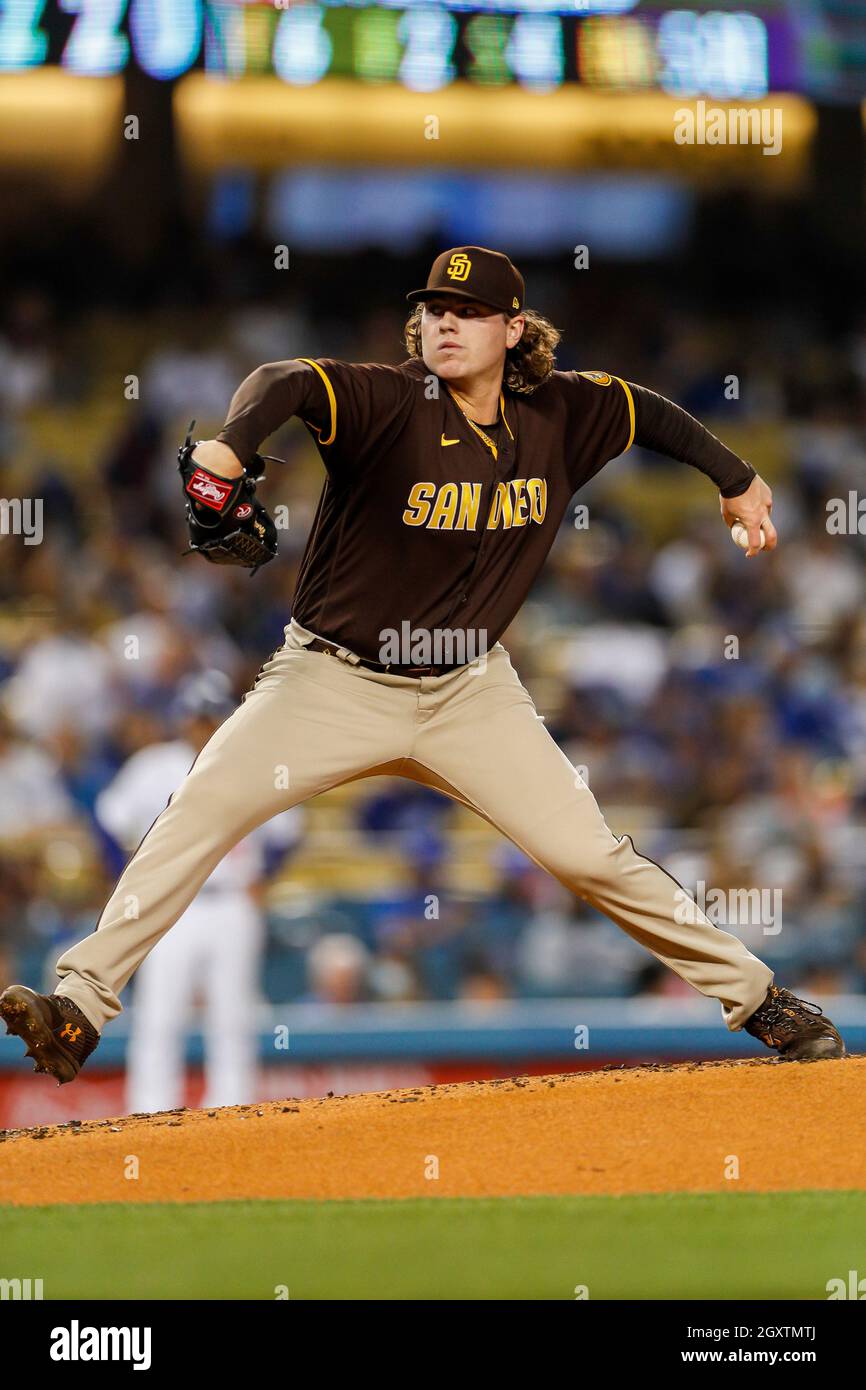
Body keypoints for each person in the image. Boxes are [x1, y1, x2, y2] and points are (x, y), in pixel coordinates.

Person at [0, 245, 845, 1083]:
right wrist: (232, 446)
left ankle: (761, 1002)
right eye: (436, 308)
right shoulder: (388, 401)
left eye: (470, 312)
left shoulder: (565, 413)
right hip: (330, 681)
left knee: (591, 857)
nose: (447, 321)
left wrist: (734, 477)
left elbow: (650, 413)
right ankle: (80, 1006)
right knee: (199, 814)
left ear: (515, 329)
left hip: (469, 691)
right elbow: (284, 380)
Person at [92, 671, 301, 1111]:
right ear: (182, 719)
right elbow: (108, 819)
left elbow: (288, 832)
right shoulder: (155, 765)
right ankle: (148, 1109)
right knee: (160, 1013)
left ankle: (232, 1106)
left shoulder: (251, 762)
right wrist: (125, 874)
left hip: (231, 902)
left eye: (211, 717)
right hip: (173, 905)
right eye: (196, 717)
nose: (202, 726)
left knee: (232, 1015)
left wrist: (265, 876)